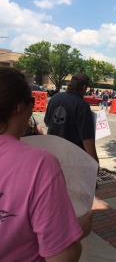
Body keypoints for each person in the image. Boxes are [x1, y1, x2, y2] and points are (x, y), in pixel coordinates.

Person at [0, 67, 93, 262]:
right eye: (31, 103)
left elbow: (50, 125)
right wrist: (76, 231)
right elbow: (62, 256)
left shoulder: (57, 98)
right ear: (19, 106)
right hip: (69, 162)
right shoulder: (39, 165)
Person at [44, 73, 99, 164]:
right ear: (84, 87)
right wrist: (95, 162)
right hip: (72, 158)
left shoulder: (54, 98)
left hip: (52, 151)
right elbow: (87, 140)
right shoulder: (82, 105)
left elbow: (47, 123)